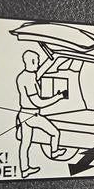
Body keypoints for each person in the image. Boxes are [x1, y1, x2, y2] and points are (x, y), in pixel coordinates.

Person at [15, 50, 67, 178]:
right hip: (32, 115)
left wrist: (53, 57)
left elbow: (41, 71)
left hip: (24, 114)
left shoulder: (25, 75)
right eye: (37, 62)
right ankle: (54, 152)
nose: (38, 64)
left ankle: (24, 170)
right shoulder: (29, 79)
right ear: (32, 61)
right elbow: (38, 102)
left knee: (25, 144)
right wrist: (58, 97)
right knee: (55, 133)